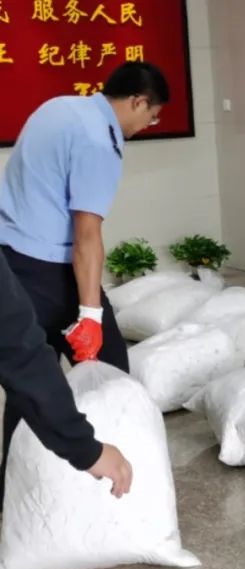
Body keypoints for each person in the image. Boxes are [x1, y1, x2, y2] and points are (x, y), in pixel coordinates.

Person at [0, 61, 168, 503]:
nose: (145, 127)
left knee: (29, 378)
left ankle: (14, 494)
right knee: (112, 375)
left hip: (10, 259)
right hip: (50, 269)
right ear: (137, 102)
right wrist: (90, 313)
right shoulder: (99, 139)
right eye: (151, 117)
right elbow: (87, 236)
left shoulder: (58, 108)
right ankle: (118, 479)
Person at [0, 252, 132, 500]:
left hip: (37, 270)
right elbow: (19, 355)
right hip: (45, 274)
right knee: (28, 387)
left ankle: (10, 490)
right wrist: (85, 449)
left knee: (25, 395)